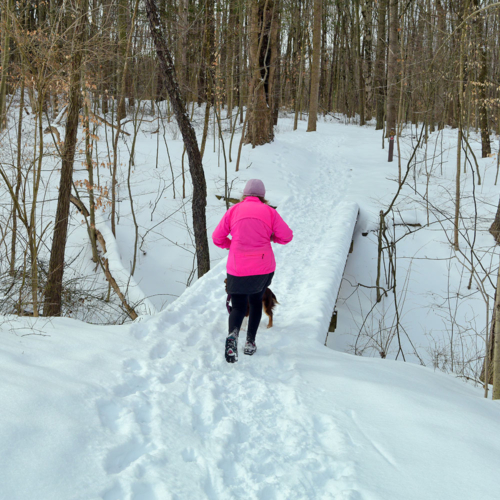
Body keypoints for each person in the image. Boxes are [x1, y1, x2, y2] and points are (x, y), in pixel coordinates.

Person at [212, 179, 293, 363]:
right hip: (262, 267)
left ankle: (233, 335)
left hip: (237, 266)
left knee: (239, 305)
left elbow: (217, 237)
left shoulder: (233, 210)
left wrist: (230, 244)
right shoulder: (270, 212)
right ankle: (250, 342)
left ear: (245, 195)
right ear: (262, 196)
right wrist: (271, 238)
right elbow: (287, 236)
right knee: (256, 301)